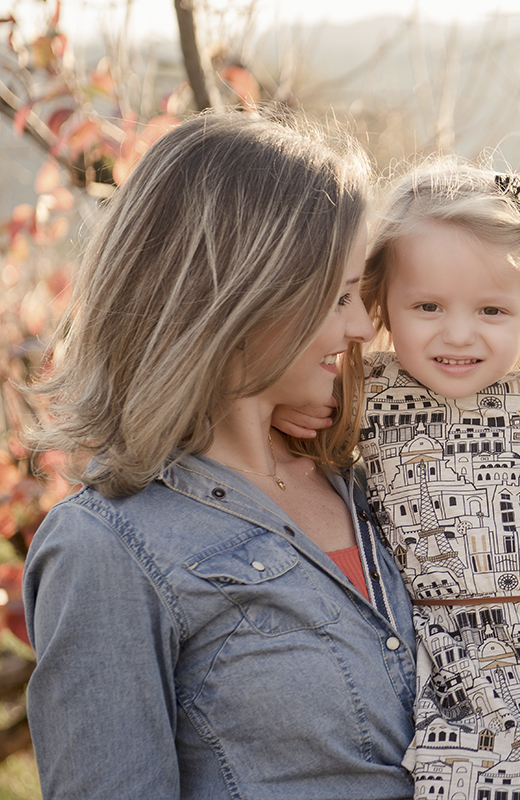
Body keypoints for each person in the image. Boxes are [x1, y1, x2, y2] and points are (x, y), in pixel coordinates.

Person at [22, 112, 417, 800]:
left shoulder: (380, 477)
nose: (362, 325)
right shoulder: (108, 549)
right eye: (340, 297)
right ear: (241, 297)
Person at [281, 161, 520, 800]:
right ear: (381, 304)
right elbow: (274, 412)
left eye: (492, 310)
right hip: (436, 654)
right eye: (427, 306)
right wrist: (289, 408)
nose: (457, 334)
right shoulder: (367, 392)